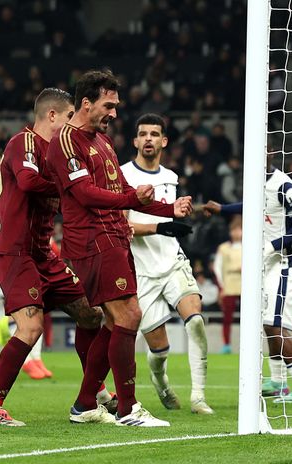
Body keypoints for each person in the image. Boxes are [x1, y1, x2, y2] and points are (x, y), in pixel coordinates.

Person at [47, 70, 192, 427]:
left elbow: (125, 189)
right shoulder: (67, 141)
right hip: (92, 241)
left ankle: (84, 405)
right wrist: (129, 198)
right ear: (86, 103)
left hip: (114, 237)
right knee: (129, 315)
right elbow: (84, 194)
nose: (114, 113)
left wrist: (167, 209)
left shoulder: (104, 142)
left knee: (115, 320)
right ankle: (128, 409)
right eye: (108, 105)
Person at [0, 88, 110, 427]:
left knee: (92, 314)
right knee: (32, 326)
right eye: (67, 117)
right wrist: (70, 186)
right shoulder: (24, 143)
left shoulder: (57, 152)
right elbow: (28, 181)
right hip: (16, 253)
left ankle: (95, 392)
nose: (70, 124)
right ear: (52, 116)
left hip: (45, 254)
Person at [203, 152, 292, 403]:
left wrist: (272, 245)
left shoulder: (284, 186)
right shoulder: (256, 182)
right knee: (268, 323)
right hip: (270, 264)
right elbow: (254, 206)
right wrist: (222, 209)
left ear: (270, 156)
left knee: (277, 323)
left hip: (288, 261)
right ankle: (277, 382)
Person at [120, 113, 213, 415]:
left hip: (172, 261)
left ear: (164, 141)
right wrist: (161, 227)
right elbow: (123, 226)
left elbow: (168, 216)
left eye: (154, 134)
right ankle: (160, 382)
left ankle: (199, 396)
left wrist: (185, 213)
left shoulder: (170, 177)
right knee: (159, 350)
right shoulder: (122, 175)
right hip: (142, 271)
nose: (148, 139)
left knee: (196, 321)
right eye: (143, 134)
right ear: (135, 141)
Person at [0, 152, 52, 380]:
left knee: (36, 303)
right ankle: (12, 339)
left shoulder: (16, 189)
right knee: (23, 305)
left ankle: (36, 358)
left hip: (24, 252)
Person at [214, 217, 242, 354]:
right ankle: (226, 345)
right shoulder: (223, 248)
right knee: (227, 317)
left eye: (239, 229)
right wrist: (221, 287)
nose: (237, 232)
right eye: (234, 230)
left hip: (246, 285)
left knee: (250, 317)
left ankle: (249, 345)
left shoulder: (250, 246)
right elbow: (217, 267)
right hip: (229, 284)